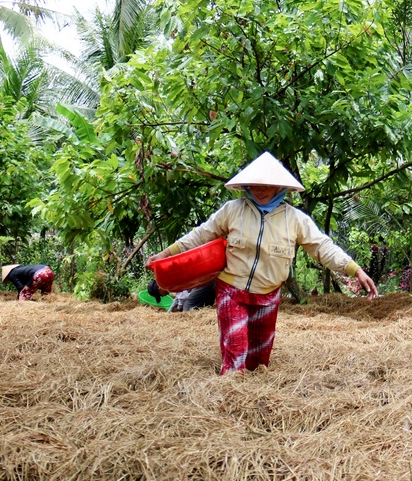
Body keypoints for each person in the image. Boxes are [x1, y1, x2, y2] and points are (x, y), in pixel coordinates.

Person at [146, 152, 379, 375]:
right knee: (236, 354)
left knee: (259, 364)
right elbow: (201, 234)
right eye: (255, 185)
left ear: (280, 187)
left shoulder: (295, 219)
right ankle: (229, 399)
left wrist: (354, 269)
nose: (260, 190)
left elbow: (322, 247)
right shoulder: (233, 210)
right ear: (247, 186)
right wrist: (165, 254)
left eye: (266, 185)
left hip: (268, 296)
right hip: (231, 291)